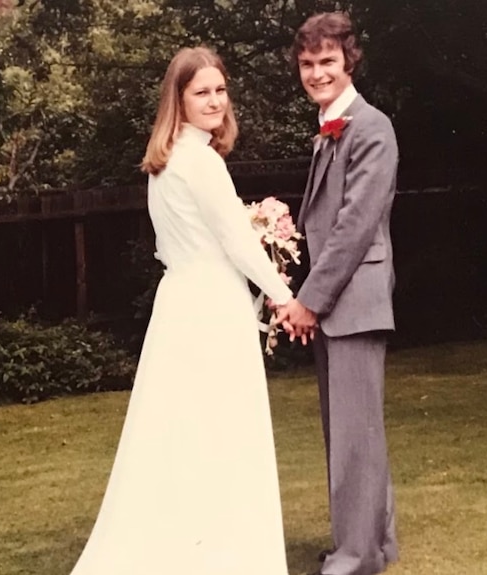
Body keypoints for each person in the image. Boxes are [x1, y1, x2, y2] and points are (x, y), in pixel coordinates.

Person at [68, 46, 296, 575]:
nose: (215, 101)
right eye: (202, 93)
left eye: (220, 90)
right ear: (180, 99)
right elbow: (238, 243)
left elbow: (175, 246)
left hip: (179, 304)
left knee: (180, 431)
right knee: (221, 431)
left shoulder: (165, 162)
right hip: (213, 304)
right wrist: (283, 296)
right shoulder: (201, 161)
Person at [276, 11, 400, 575]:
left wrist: (309, 300)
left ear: (349, 60)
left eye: (327, 61)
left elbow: (354, 226)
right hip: (340, 304)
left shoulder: (370, 127)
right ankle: (376, 545)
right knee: (355, 435)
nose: (316, 73)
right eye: (307, 63)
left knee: (354, 438)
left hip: (351, 301)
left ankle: (353, 558)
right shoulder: (332, 125)